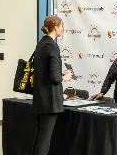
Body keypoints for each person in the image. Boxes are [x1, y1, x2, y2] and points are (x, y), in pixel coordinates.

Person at [32, 15, 73, 155]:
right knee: (44, 139)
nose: (63, 29)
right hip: (50, 100)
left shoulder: (42, 43)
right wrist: (65, 77)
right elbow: (55, 78)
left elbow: (45, 72)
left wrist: (58, 75)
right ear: (55, 27)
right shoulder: (52, 46)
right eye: (62, 26)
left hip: (40, 98)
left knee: (40, 137)